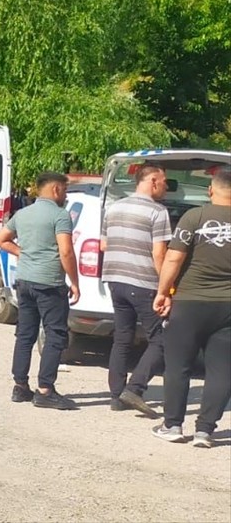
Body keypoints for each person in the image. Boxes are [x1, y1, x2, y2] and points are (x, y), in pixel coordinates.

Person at [151, 165, 231, 448]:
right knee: (222, 369)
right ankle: (205, 431)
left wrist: (163, 292)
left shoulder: (194, 216)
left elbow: (172, 259)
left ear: (211, 189)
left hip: (189, 302)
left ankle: (172, 425)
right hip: (228, 307)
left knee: (178, 365)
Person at [0, 172, 81, 411]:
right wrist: (74, 281)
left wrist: (23, 253)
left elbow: (0, 239)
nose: (65, 194)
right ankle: (45, 390)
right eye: (64, 189)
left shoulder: (23, 214)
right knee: (55, 335)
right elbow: (66, 252)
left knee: (25, 335)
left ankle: (20, 386)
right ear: (55, 190)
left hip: (24, 281)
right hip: (49, 284)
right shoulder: (60, 215)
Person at [101, 163, 170, 415]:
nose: (166, 187)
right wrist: (167, 288)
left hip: (115, 280)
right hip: (143, 283)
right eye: (164, 182)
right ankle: (135, 388)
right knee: (161, 340)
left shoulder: (113, 207)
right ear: (152, 181)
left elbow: (104, 245)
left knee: (122, 337)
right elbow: (159, 253)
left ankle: (116, 396)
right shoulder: (157, 212)